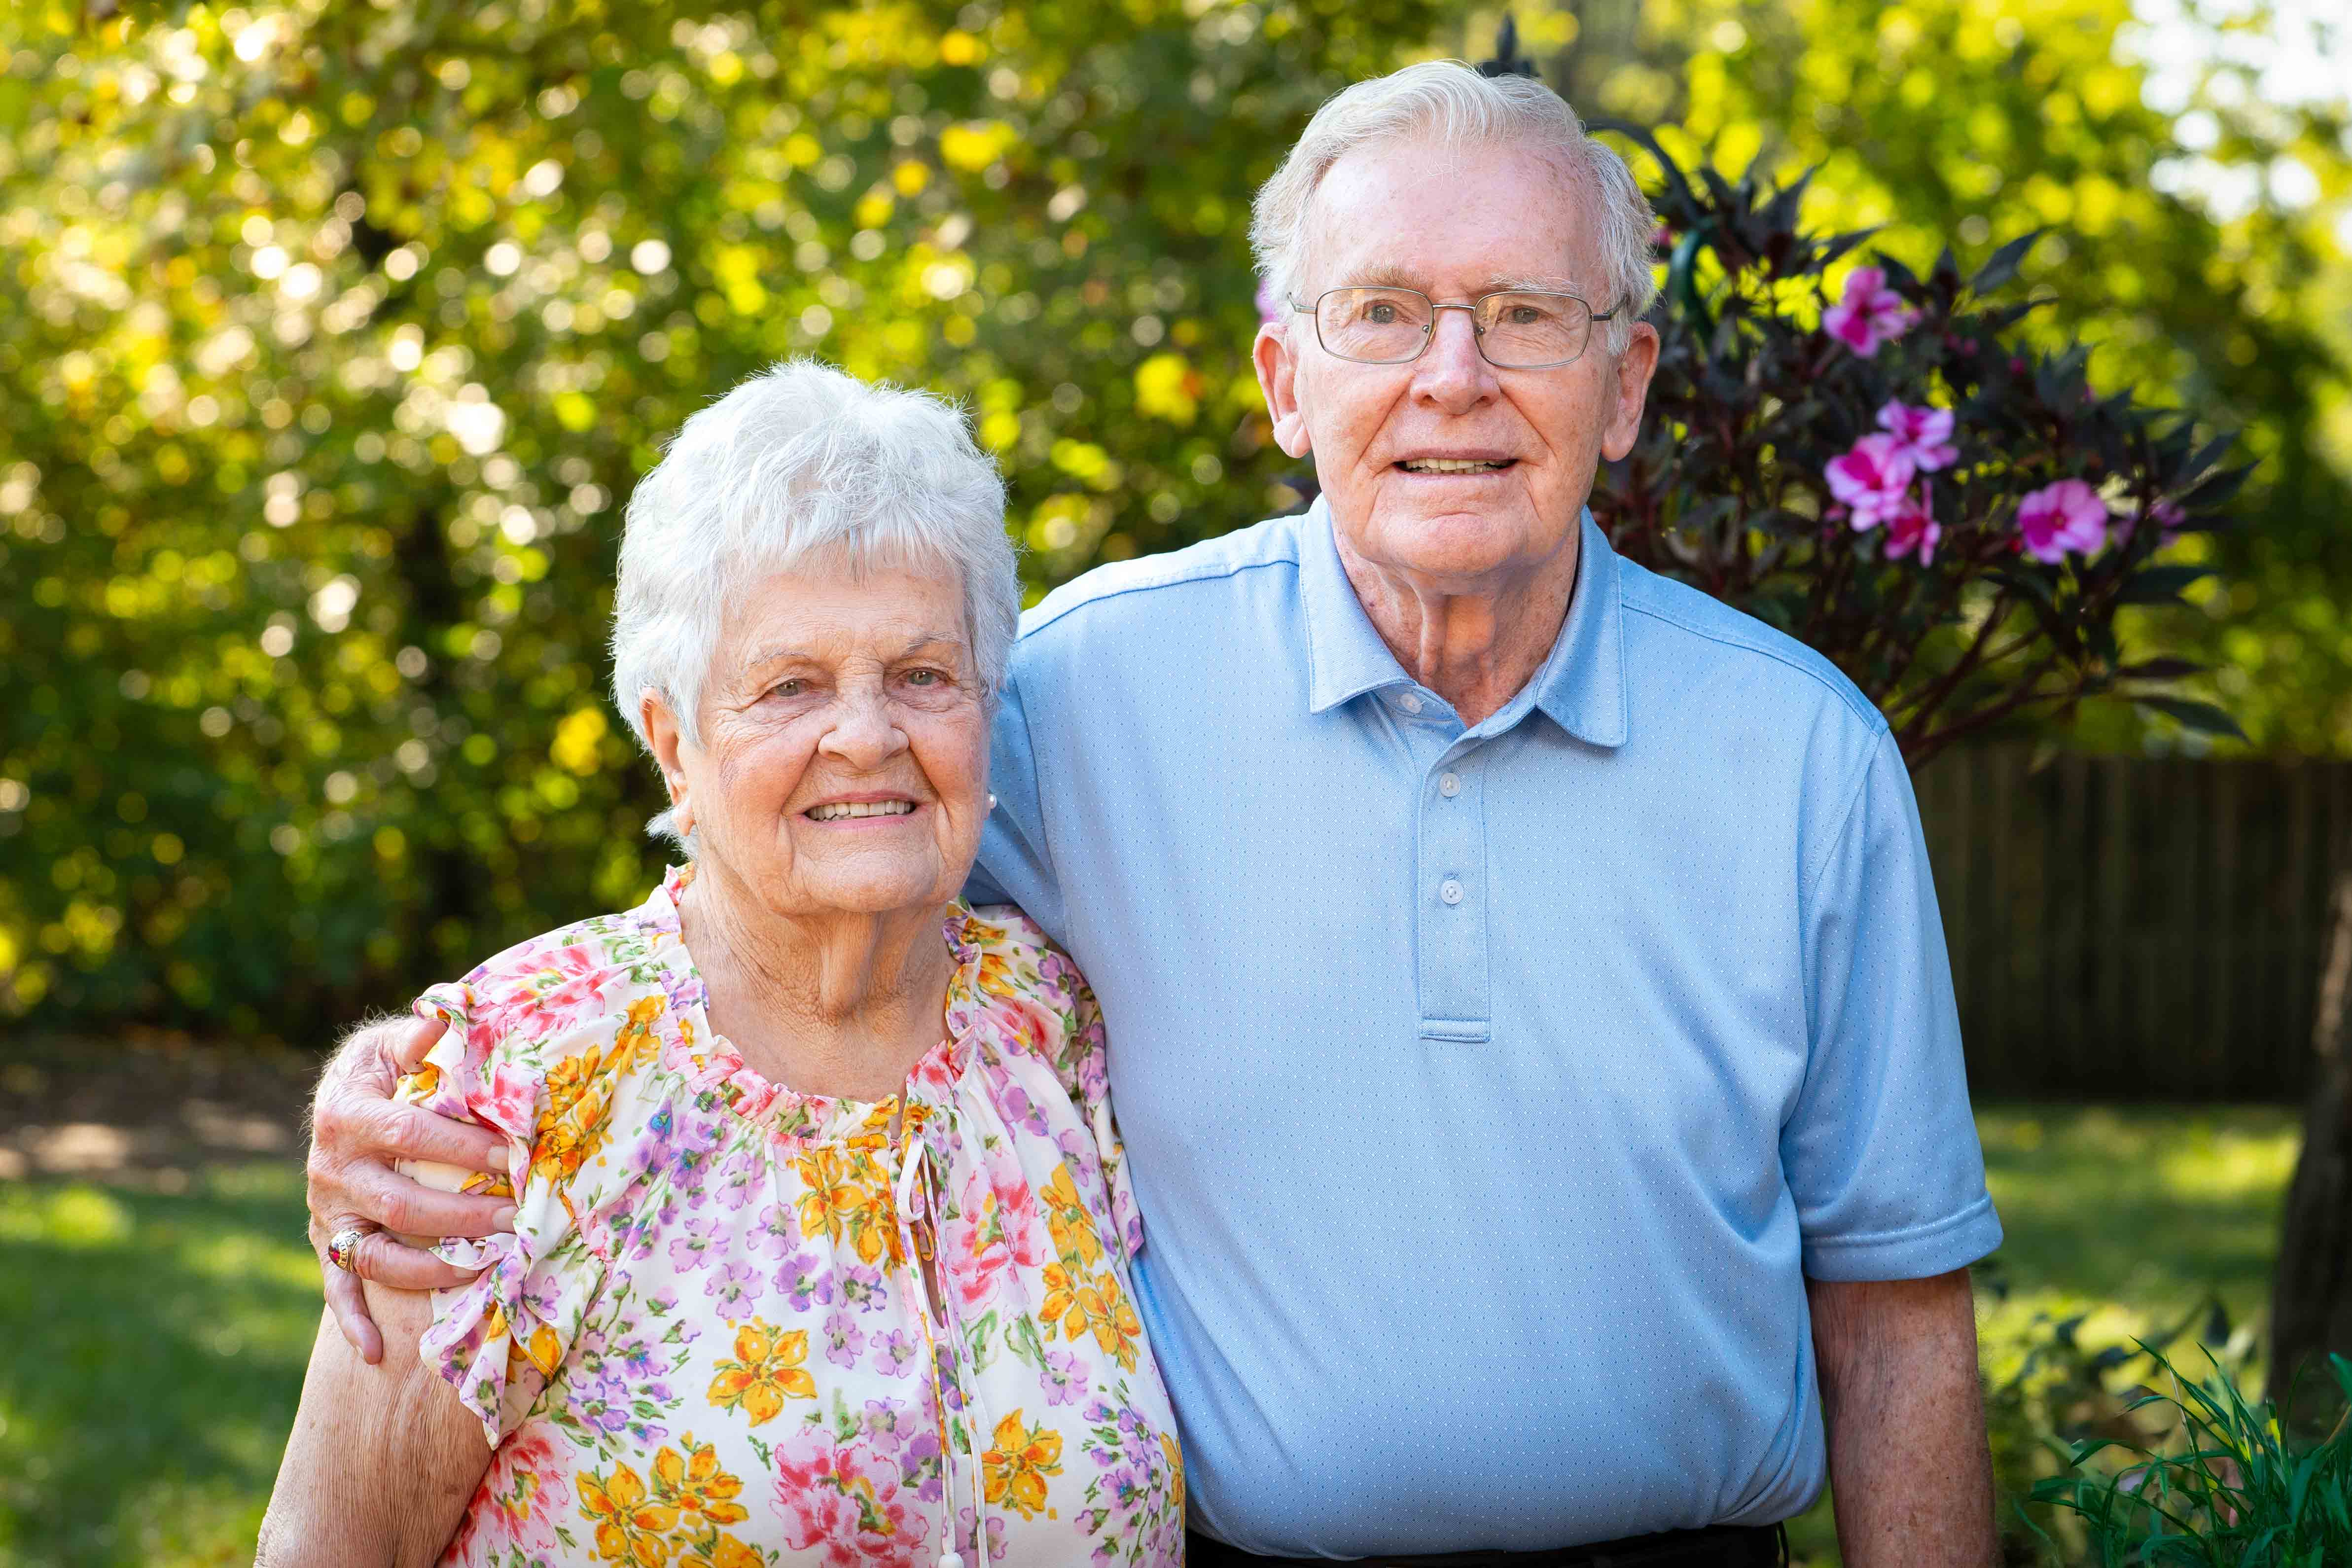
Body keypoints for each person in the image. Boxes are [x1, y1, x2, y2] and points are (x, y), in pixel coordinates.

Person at [306, 61, 2002, 1567]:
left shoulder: (1806, 760)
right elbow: (789, 867)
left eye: (1527, 315)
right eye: (1386, 315)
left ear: (1623, 385)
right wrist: (414, 1082)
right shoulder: (1089, 687)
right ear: (1284, 381)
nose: (1455, 377)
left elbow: (1901, 1321)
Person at [260, 364, 1185, 1567]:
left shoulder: (1052, 1018)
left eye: (921, 675)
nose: (866, 734)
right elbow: (331, 1550)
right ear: (674, 749)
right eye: (789, 685)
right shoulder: (524, 1078)